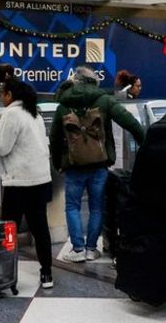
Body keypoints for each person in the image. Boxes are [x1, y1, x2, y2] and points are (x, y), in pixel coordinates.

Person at [50, 66, 145, 262]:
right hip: (99, 164)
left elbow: (55, 138)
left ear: (76, 81)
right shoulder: (105, 100)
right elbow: (131, 123)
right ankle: (91, 249)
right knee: (96, 207)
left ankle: (77, 250)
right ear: (94, 82)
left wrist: (58, 163)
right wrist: (145, 144)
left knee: (72, 206)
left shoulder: (63, 105)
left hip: (73, 166)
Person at [0, 79, 54, 288]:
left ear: (10, 95)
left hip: (19, 182)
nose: (1, 97)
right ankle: (47, 273)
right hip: (40, 179)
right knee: (40, 228)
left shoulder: (11, 114)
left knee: (9, 229)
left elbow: (1, 147)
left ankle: (5, 273)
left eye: (2, 94)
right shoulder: (34, 112)